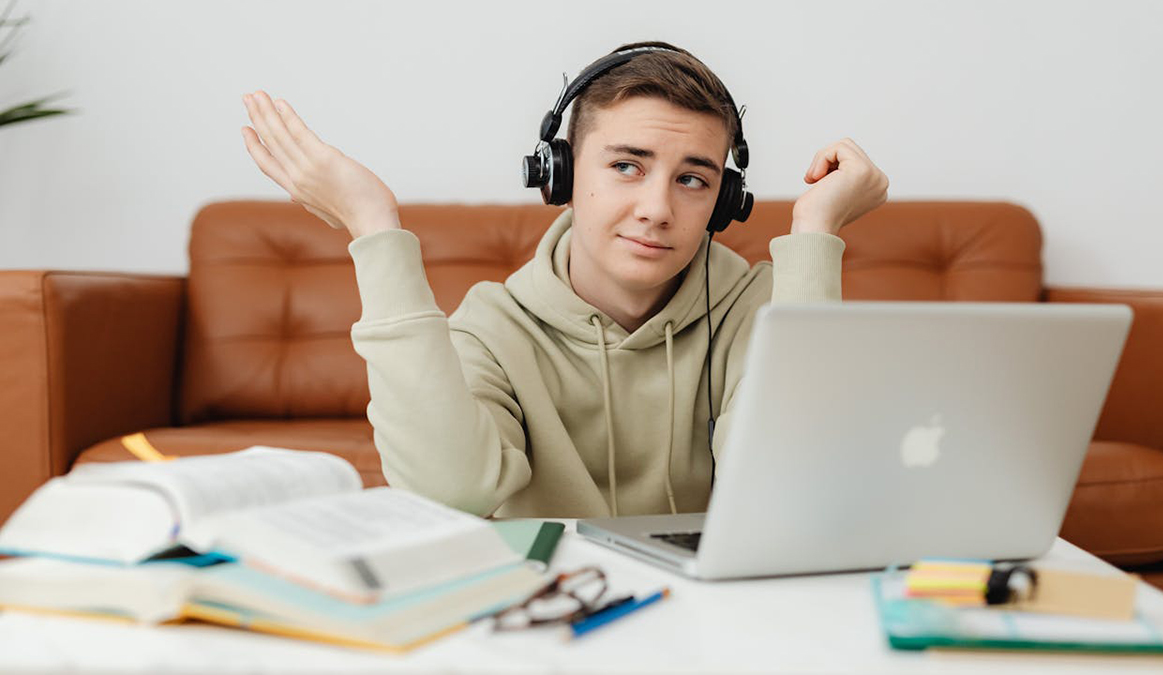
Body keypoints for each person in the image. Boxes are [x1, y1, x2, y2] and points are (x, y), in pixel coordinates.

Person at [239, 41, 889, 519]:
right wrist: (372, 226)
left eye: (693, 179)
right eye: (628, 166)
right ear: (562, 174)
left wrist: (815, 234)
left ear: (725, 201)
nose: (657, 208)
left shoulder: (760, 307)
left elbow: (796, 486)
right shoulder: (495, 326)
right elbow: (447, 492)